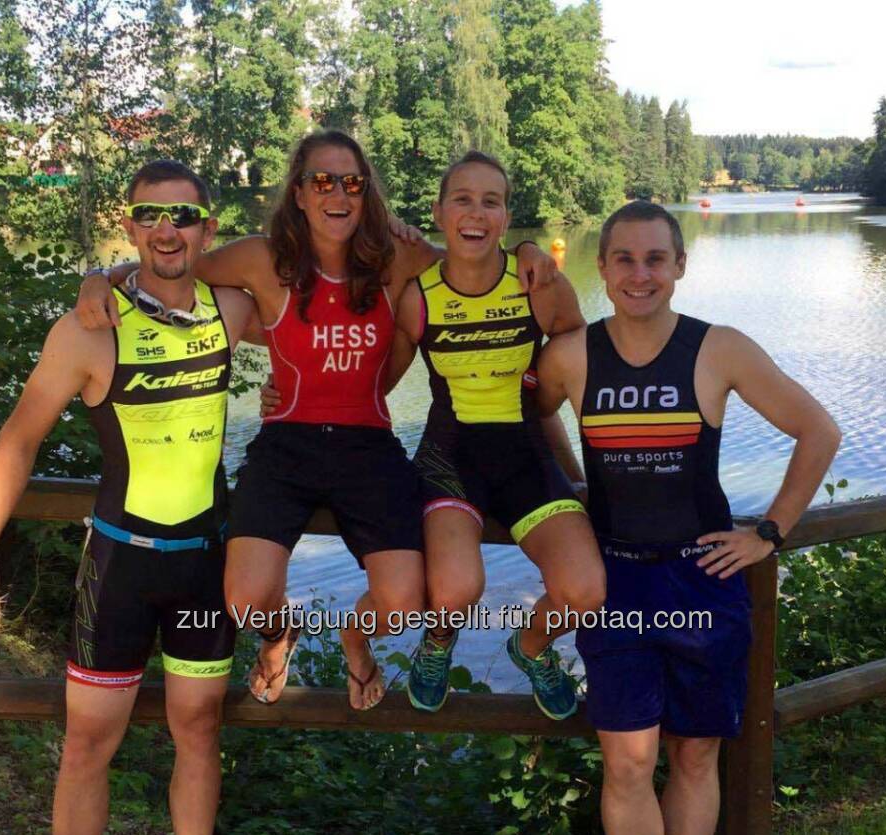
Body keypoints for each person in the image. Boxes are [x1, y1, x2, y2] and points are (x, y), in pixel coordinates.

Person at [76, 131, 555, 711]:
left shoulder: (397, 258)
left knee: (402, 605)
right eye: (320, 181)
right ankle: (279, 636)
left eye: (351, 182)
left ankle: (355, 638)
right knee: (247, 598)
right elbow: (170, 265)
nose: (337, 193)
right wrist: (99, 279)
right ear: (298, 192)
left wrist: (528, 251)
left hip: (369, 447)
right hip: (287, 444)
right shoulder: (261, 257)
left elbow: (475, 257)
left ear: (366, 192)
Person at [0, 160, 262, 835]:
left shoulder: (231, 311)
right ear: (130, 224)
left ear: (207, 227)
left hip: (205, 558)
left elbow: (309, 274)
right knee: (88, 745)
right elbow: (17, 442)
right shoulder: (88, 328)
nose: (170, 231)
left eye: (187, 218)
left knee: (198, 730)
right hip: (121, 563)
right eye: (151, 216)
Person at [535, 201, 840, 835]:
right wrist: (566, 499)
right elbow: (517, 433)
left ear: (678, 267)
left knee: (697, 757)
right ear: (601, 268)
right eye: (625, 260)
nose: (640, 275)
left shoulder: (719, 349)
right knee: (629, 761)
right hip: (617, 583)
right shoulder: (570, 357)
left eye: (656, 260)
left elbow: (819, 431)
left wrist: (770, 532)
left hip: (703, 580)